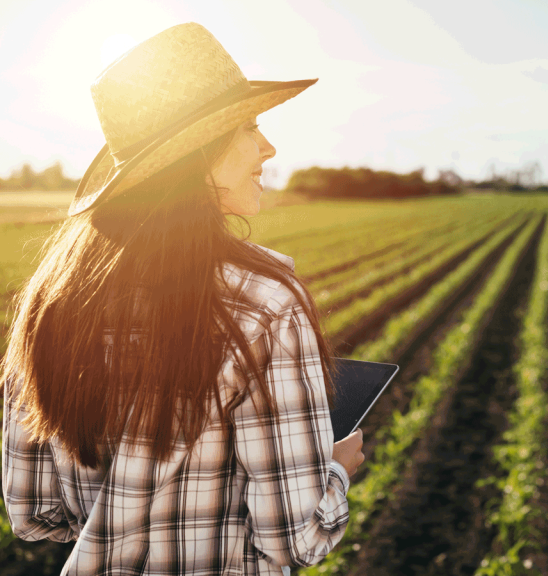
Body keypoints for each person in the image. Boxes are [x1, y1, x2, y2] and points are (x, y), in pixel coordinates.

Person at [1, 22, 364, 575]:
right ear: (199, 152)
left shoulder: (49, 304)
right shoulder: (264, 305)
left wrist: (128, 517)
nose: (268, 146)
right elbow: (295, 539)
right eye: (248, 126)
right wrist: (336, 470)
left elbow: (34, 512)